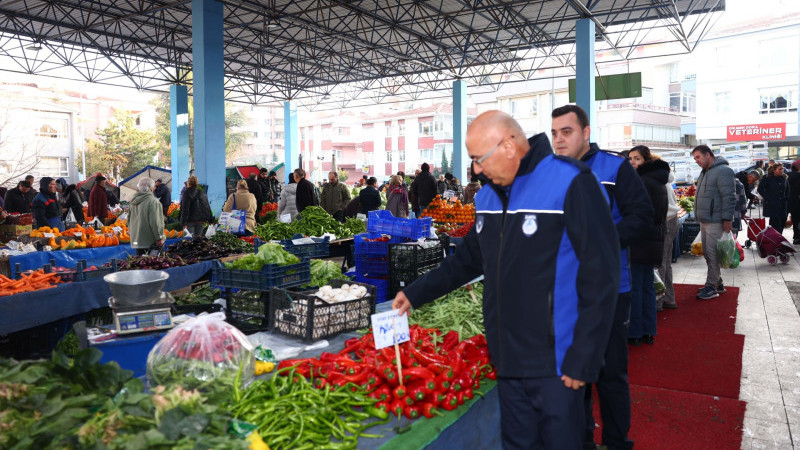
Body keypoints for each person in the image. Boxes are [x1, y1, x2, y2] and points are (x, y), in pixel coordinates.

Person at [394, 110, 620, 449]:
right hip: (507, 356)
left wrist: (584, 357)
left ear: (510, 146)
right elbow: (468, 261)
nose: (476, 170)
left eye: (479, 159)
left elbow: (601, 273)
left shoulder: (571, 181)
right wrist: (414, 294)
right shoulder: (486, 198)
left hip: (557, 362)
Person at [551, 105, 652, 450]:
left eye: (567, 131)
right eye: (554, 133)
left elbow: (642, 216)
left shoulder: (615, 169)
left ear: (585, 132)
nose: (559, 139)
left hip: (609, 289)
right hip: (565, 292)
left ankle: (616, 441)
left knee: (610, 375)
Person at [626, 146, 668, 346]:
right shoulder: (657, 180)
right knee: (647, 287)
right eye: (630, 158)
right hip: (652, 240)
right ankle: (648, 330)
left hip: (639, 239)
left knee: (635, 287)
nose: (632, 162)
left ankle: (634, 332)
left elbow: (636, 214)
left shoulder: (641, 182)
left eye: (637, 159)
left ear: (646, 160)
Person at [692, 145, 735, 300]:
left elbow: (729, 197)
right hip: (705, 220)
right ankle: (718, 282)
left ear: (708, 154)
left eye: (698, 157)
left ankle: (711, 287)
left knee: (712, 254)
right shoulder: (705, 171)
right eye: (694, 158)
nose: (696, 161)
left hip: (715, 220)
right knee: (708, 255)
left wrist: (727, 219)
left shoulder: (723, 171)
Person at [658, 160, 680, 311]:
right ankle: (669, 298)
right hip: (672, 220)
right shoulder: (665, 181)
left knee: (659, 263)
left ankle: (658, 301)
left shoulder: (658, 183)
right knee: (665, 261)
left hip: (665, 221)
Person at [129, 178, 165, 255]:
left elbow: (129, 220)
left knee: (140, 263)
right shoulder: (153, 202)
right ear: (152, 188)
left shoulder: (133, 201)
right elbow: (155, 222)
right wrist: (159, 238)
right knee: (152, 265)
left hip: (136, 240)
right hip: (150, 242)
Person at [758, 162, 789, 233]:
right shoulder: (767, 177)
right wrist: (768, 198)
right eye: (779, 169)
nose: (782, 170)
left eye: (782, 169)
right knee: (775, 224)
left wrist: (786, 198)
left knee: (782, 223)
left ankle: (778, 239)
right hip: (772, 205)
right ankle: (776, 241)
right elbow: (760, 189)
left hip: (782, 205)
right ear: (774, 170)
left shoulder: (784, 178)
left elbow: (787, 189)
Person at [787, 161, 800, 244]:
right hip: (797, 202)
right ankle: (796, 238)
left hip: (786, 201)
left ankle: (778, 236)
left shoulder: (787, 176)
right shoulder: (799, 176)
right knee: (796, 220)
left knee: (782, 220)